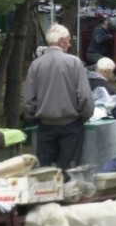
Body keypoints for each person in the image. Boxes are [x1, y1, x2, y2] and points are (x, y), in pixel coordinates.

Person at [24, 24, 95, 171]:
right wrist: (84, 116)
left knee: (44, 173)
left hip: (45, 126)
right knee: (69, 171)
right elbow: (85, 97)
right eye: (68, 41)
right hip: (71, 125)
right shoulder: (74, 62)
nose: (69, 44)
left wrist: (34, 117)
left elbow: (29, 100)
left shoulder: (35, 65)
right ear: (62, 41)